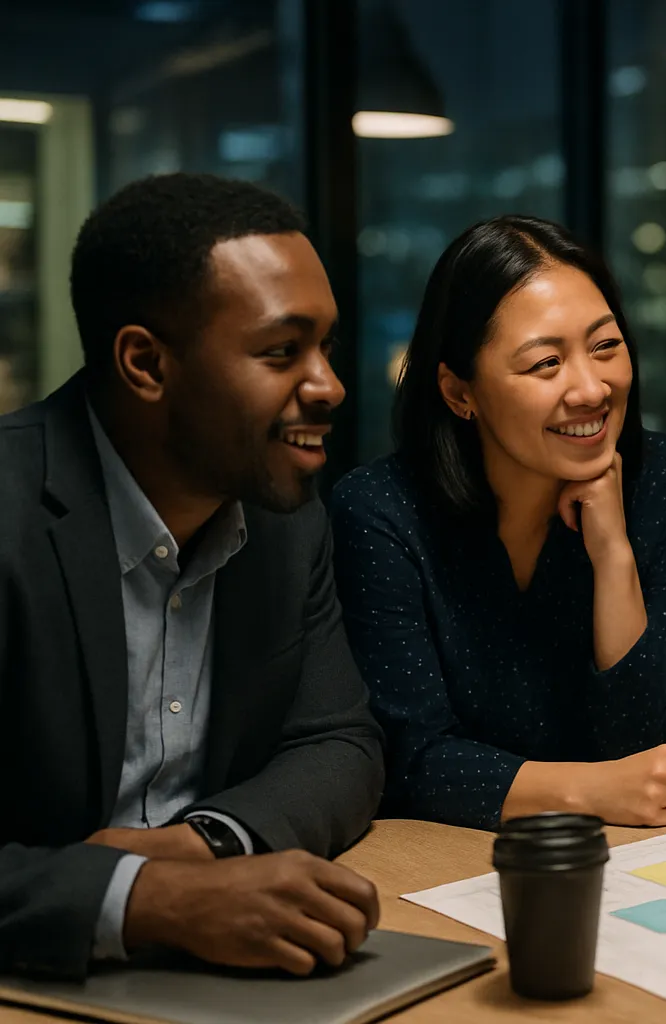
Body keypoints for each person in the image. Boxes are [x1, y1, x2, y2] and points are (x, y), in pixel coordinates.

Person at [0, 173, 386, 979]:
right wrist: (149, 900)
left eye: (326, 347)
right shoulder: (10, 516)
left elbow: (338, 741)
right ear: (145, 363)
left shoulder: (284, 516)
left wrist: (206, 845)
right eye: (282, 352)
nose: (330, 386)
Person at [331, 215, 666, 831]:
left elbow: (652, 736)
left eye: (605, 346)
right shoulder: (382, 512)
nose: (590, 388)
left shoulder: (659, 478)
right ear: (461, 393)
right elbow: (406, 759)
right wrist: (591, 788)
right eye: (545, 363)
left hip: (619, 856)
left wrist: (612, 551)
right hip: (440, 856)